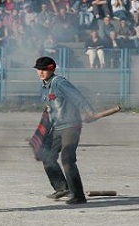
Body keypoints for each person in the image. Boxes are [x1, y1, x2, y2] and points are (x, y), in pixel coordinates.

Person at [33, 56, 94, 205]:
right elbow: (49, 109)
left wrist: (88, 110)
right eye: (38, 69)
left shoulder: (59, 82)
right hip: (56, 127)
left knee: (67, 158)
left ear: (51, 68)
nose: (41, 72)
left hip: (70, 126)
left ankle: (78, 196)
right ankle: (62, 188)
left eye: (44, 69)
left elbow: (76, 96)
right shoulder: (43, 86)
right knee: (46, 155)